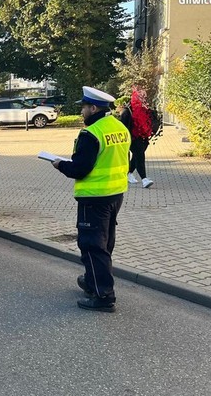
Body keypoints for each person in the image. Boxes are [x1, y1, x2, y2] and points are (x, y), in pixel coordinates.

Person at [51, 86, 131, 312]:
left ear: (93, 108)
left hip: (94, 197)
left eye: (84, 108)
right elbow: (129, 159)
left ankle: (103, 296)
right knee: (104, 244)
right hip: (115, 194)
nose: (82, 112)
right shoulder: (119, 127)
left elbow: (80, 168)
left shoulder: (91, 133)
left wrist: (60, 165)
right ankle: (91, 281)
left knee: (92, 246)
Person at [119, 90, 154, 188]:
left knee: (137, 156)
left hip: (142, 137)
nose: (143, 99)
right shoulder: (127, 111)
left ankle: (129, 173)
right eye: (140, 97)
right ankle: (144, 179)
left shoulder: (144, 109)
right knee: (140, 156)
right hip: (132, 138)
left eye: (144, 97)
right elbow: (122, 127)